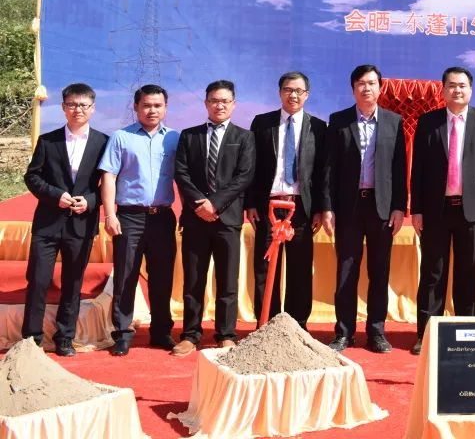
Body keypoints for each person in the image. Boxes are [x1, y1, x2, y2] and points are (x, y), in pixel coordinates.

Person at [410, 67, 475, 355]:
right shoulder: (428, 122)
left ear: (470, 90)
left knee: (468, 273)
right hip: (436, 209)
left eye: (462, 85)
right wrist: (417, 209)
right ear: (443, 90)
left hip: (472, 210)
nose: (457, 90)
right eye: (451, 85)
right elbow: (418, 168)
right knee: (432, 273)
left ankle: (468, 332)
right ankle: (426, 334)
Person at [22, 83, 109, 356]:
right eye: (72, 104)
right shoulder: (48, 141)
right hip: (48, 223)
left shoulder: (103, 142)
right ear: (63, 107)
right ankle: (31, 339)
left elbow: (109, 183)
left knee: (73, 283)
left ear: (92, 108)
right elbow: (32, 176)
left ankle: (64, 338)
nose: (77, 110)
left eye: (83, 105)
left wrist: (91, 201)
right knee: (38, 281)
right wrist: (55, 195)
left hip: (82, 224)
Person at [326, 65, 407, 353]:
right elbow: (329, 169)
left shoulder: (393, 122)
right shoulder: (339, 121)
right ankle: (344, 333)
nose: (366, 88)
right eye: (361, 83)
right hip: (348, 207)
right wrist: (327, 207)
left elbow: (399, 168)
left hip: (381, 207)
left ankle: (376, 332)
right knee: (346, 272)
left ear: (380, 88)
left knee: (379, 272)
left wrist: (399, 206)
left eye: (372, 83)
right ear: (353, 89)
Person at [172, 80, 256, 356]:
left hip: (227, 220)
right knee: (193, 280)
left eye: (225, 101)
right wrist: (201, 204)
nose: (219, 105)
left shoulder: (244, 137)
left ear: (233, 104)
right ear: (206, 103)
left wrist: (215, 204)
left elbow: (244, 176)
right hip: (195, 218)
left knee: (228, 280)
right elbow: (181, 173)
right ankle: (190, 334)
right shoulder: (189, 136)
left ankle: (226, 334)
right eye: (214, 100)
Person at [99, 84, 180, 356]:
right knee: (126, 276)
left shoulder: (175, 138)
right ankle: (122, 333)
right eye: (146, 105)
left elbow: (185, 177)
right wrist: (110, 214)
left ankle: (161, 331)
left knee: (162, 276)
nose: (152, 110)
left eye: (158, 105)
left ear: (165, 108)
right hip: (129, 217)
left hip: (162, 217)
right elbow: (109, 176)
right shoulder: (121, 138)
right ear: (136, 107)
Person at [245, 72, 330, 329]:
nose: (293, 95)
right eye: (287, 90)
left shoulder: (318, 127)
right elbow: (251, 166)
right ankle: (266, 325)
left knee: (300, 269)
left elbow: (322, 172)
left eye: (298, 91)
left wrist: (321, 208)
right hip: (268, 207)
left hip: (301, 208)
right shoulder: (262, 123)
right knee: (265, 267)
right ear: (280, 92)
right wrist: (250, 203)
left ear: (307, 95)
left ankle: (297, 326)